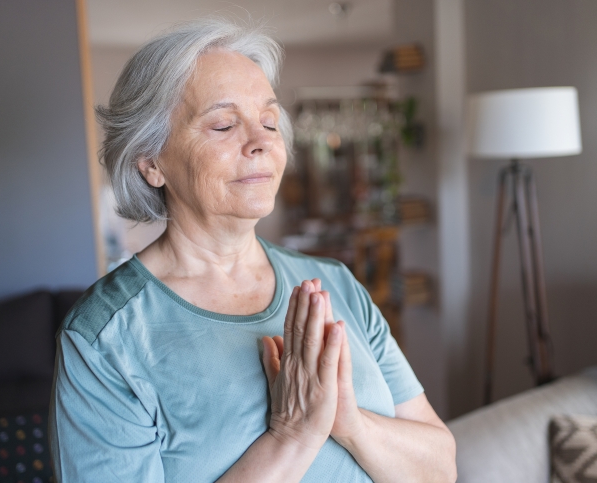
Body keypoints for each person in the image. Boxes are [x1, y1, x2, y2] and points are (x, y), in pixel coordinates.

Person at [49, 18, 456, 483]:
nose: (263, 141)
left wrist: (350, 422)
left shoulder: (336, 283)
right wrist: (293, 435)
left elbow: (440, 467)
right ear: (151, 162)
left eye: (269, 121)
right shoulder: (104, 339)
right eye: (223, 125)